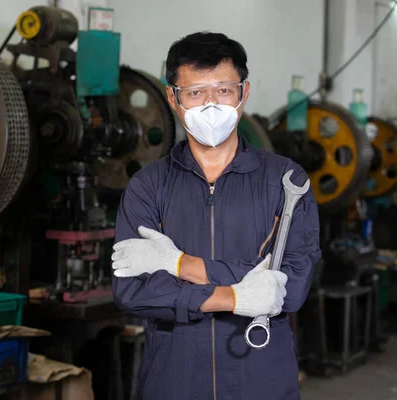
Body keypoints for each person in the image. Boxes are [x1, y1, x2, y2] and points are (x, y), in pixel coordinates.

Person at [111, 32, 321, 399]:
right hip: (173, 379)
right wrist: (235, 297)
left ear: (244, 93)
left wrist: (178, 264)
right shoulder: (148, 186)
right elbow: (133, 291)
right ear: (172, 98)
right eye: (195, 93)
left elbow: (290, 288)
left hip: (261, 375)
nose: (211, 105)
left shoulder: (286, 182)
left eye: (223, 90)